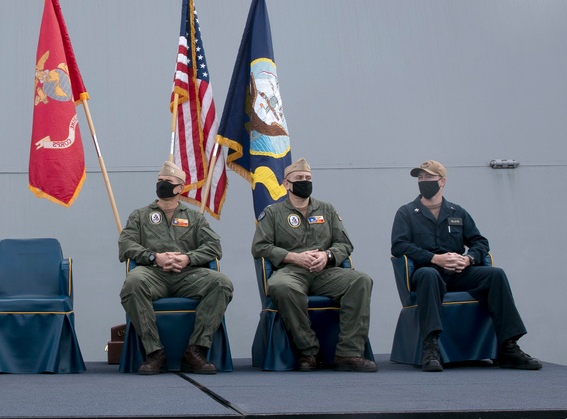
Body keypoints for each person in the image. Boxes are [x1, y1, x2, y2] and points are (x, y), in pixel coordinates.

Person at [391, 160, 541, 372]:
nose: (423, 181)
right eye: (420, 178)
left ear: (442, 181)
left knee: (495, 275)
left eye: (428, 177)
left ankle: (508, 347)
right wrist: (434, 259)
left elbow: (480, 242)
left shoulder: (457, 212)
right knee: (427, 275)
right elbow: (399, 245)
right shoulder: (406, 212)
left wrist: (468, 259)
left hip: (459, 273)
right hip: (430, 273)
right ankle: (431, 347)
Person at [250, 158, 377, 372]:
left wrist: (327, 256)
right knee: (282, 287)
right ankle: (308, 351)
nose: (304, 181)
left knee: (361, 280)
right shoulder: (272, 213)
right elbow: (260, 247)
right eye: (299, 178)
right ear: (286, 184)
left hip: (325, 272)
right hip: (292, 271)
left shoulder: (326, 210)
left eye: (308, 178)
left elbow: (344, 244)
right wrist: (293, 257)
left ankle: (349, 353)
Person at [119, 161, 233, 375]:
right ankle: (154, 352)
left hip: (188, 276)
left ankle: (195, 351)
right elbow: (126, 244)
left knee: (222, 283)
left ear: (180, 188)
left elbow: (214, 246)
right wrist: (154, 257)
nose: (162, 184)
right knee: (133, 282)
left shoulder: (194, 217)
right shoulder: (140, 216)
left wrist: (188, 258)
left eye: (168, 182)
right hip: (153, 274)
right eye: (159, 181)